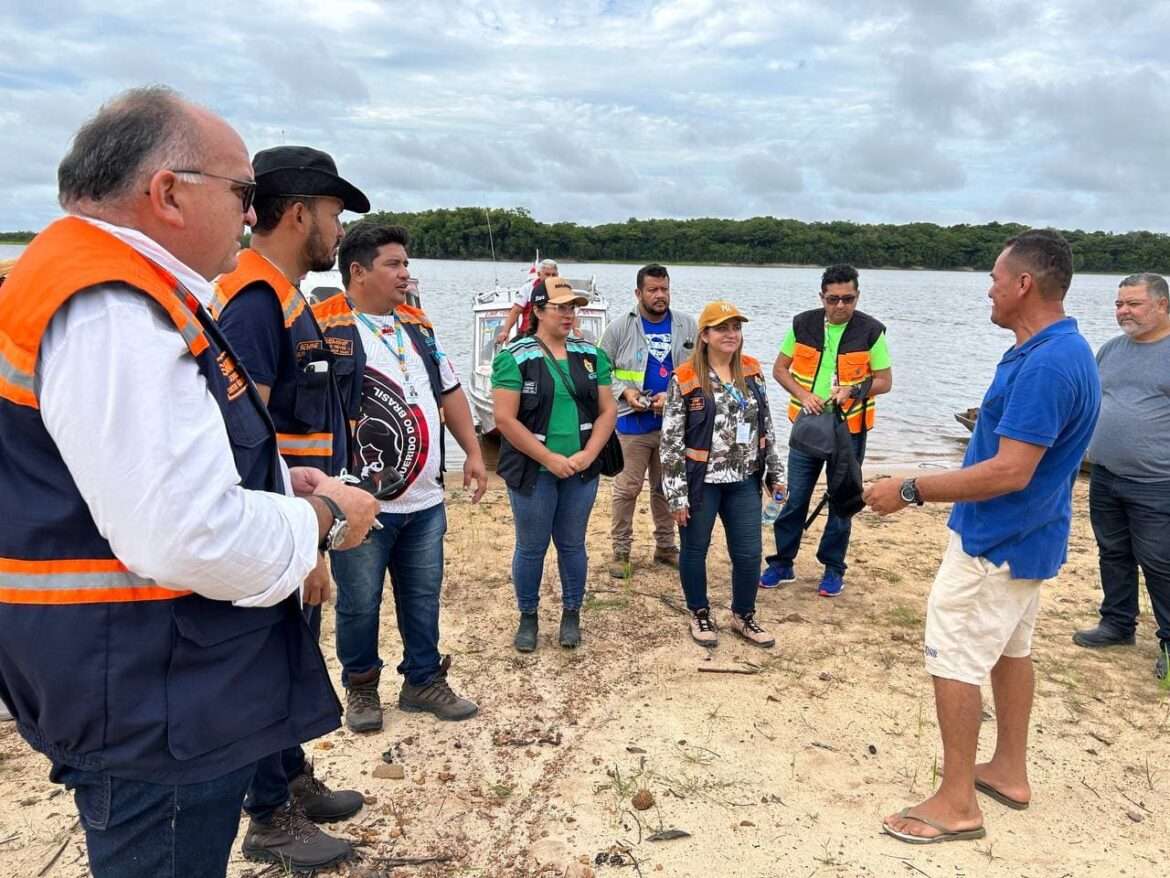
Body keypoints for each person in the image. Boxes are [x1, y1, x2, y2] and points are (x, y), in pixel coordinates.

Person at [0, 87, 378, 878]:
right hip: (150, 689)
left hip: (148, 672)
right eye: (243, 193)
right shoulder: (111, 306)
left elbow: (156, 466)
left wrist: (274, 479)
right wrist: (318, 519)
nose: (251, 214)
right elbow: (186, 533)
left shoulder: (113, 283)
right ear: (168, 192)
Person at [865, 230, 1100, 844]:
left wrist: (910, 487)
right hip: (1033, 537)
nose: (988, 291)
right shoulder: (1056, 349)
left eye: (995, 279)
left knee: (955, 656)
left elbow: (1009, 470)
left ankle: (957, 801)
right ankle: (1009, 770)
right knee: (1010, 652)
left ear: (1024, 284)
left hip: (995, 544)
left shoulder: (1048, 363)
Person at [209, 145, 369, 870]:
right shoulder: (251, 301)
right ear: (299, 212)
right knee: (271, 664)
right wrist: (295, 548)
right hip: (279, 528)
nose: (339, 231)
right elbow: (244, 443)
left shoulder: (286, 292)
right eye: (334, 214)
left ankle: (292, 778)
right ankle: (268, 815)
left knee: (294, 655)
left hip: (305, 518)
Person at [320, 220, 486, 733]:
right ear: (358, 271)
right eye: (394, 264)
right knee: (359, 603)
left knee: (421, 595)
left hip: (424, 500)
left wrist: (473, 454)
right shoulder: (325, 326)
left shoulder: (418, 324)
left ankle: (422, 680)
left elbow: (450, 392)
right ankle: (362, 687)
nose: (405, 274)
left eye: (406, 263)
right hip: (359, 504)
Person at [491, 277, 617, 651]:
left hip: (581, 466)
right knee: (531, 547)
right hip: (534, 470)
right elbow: (504, 419)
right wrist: (547, 458)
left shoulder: (591, 355)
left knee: (573, 544)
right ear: (538, 310)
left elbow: (608, 410)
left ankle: (571, 614)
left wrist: (588, 455)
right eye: (560, 307)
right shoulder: (514, 356)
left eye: (572, 307)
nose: (568, 314)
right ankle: (528, 616)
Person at [761, 264, 892, 596]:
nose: (840, 306)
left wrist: (853, 390)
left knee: (843, 500)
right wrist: (804, 395)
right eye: (833, 299)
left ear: (857, 296)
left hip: (850, 431)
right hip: (807, 426)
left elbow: (885, 381)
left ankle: (833, 568)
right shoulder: (802, 324)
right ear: (822, 297)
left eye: (848, 299)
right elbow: (779, 369)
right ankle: (782, 562)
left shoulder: (871, 331)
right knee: (796, 498)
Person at [660, 301, 785, 648]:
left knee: (748, 553)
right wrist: (676, 493)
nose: (731, 334)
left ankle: (743, 615)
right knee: (695, 550)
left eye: (736, 328)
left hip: (744, 480)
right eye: (722, 328)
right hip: (702, 483)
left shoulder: (752, 371)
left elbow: (767, 427)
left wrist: (776, 473)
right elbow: (670, 442)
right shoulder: (685, 378)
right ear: (705, 335)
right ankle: (699, 613)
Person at [1073, 273, 1170, 679]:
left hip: (1158, 482)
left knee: (1160, 561)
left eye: (1133, 304)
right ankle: (1117, 623)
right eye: (1119, 304)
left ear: (1163, 305)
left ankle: (1169, 641)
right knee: (1112, 551)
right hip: (1106, 474)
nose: (1123, 312)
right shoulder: (1110, 350)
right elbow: (1094, 402)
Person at [599, 264, 696, 578]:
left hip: (672, 425)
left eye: (664, 289)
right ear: (638, 293)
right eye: (653, 290)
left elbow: (698, 371)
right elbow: (599, 371)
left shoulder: (686, 325)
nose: (660, 296)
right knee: (626, 490)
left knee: (665, 489)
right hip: (631, 426)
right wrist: (625, 392)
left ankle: (666, 548)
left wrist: (675, 396)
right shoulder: (619, 328)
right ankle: (621, 552)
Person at [496, 257, 558, 344]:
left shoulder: (561, 289)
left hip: (552, 334)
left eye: (554, 275)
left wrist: (575, 329)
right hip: (528, 333)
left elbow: (571, 310)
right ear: (539, 274)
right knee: (510, 350)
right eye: (547, 274)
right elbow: (516, 311)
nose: (551, 278)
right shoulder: (528, 288)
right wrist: (505, 331)